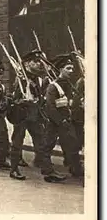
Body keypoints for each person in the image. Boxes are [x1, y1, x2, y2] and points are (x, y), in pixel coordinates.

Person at [41, 54, 83, 182]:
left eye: (72, 68)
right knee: (48, 146)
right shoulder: (53, 86)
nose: (71, 71)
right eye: (68, 68)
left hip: (67, 121)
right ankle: (48, 172)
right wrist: (61, 121)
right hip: (55, 122)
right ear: (60, 70)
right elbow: (50, 107)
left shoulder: (70, 85)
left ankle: (75, 168)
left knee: (73, 143)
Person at [8, 50, 49, 175]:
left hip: (34, 114)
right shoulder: (21, 78)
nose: (39, 64)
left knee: (41, 141)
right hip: (22, 114)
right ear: (26, 64)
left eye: (39, 61)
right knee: (17, 142)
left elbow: (40, 97)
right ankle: (14, 169)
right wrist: (24, 100)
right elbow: (15, 99)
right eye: (35, 62)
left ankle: (47, 170)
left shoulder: (38, 78)